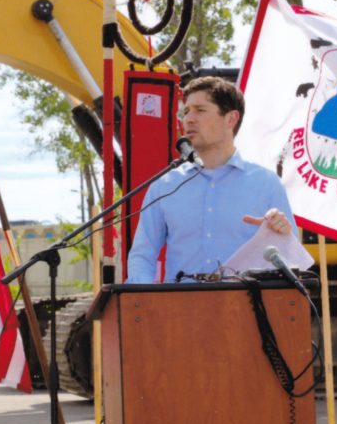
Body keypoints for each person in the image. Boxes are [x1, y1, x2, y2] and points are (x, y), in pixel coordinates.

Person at [127, 76, 296, 283]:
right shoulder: (164, 186)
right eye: (186, 111)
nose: (188, 119)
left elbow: (291, 261)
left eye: (200, 110)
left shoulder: (266, 184)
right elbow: (142, 255)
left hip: (247, 309)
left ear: (231, 119)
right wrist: (140, 302)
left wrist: (281, 235)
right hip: (177, 310)